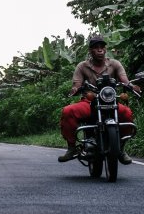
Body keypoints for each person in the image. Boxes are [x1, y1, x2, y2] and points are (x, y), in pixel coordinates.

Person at [58, 35, 139, 164]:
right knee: (68, 111)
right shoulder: (82, 66)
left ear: (105, 49)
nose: (100, 50)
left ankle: (121, 148)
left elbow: (124, 80)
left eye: (102, 47)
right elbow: (76, 84)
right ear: (90, 51)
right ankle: (71, 148)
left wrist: (131, 86)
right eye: (96, 48)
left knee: (127, 113)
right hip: (89, 102)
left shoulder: (115, 64)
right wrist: (75, 89)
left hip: (111, 101)